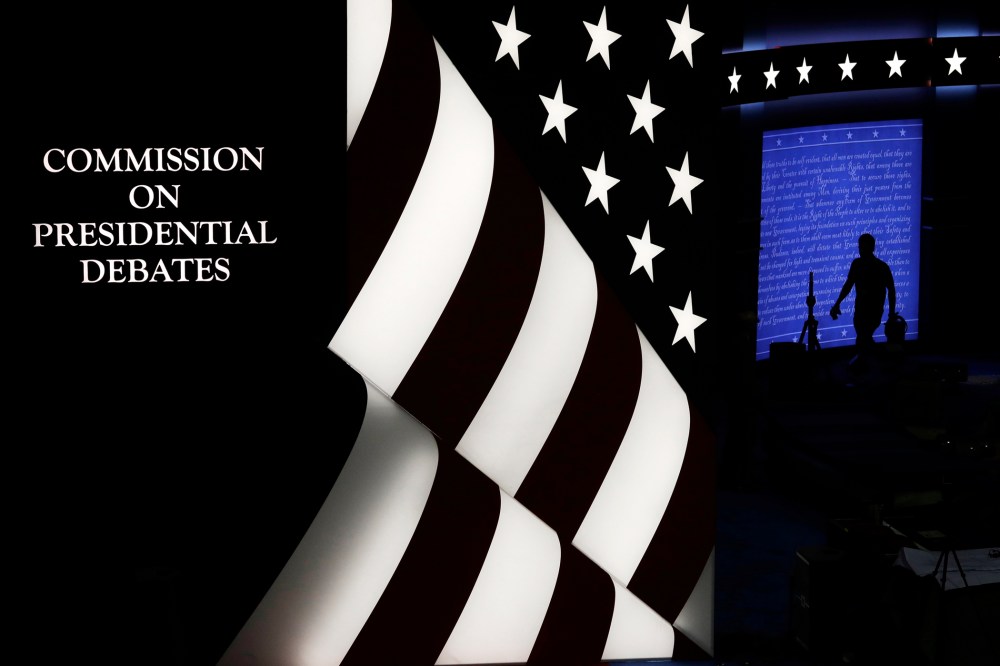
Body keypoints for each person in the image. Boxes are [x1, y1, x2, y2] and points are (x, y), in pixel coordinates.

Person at [830, 233, 896, 367]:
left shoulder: (866, 265)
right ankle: (872, 363)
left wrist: (891, 314)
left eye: (861, 247)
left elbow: (891, 290)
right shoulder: (878, 266)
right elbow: (848, 285)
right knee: (864, 338)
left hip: (870, 311)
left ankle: (863, 365)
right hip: (864, 311)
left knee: (862, 339)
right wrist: (891, 314)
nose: (860, 249)